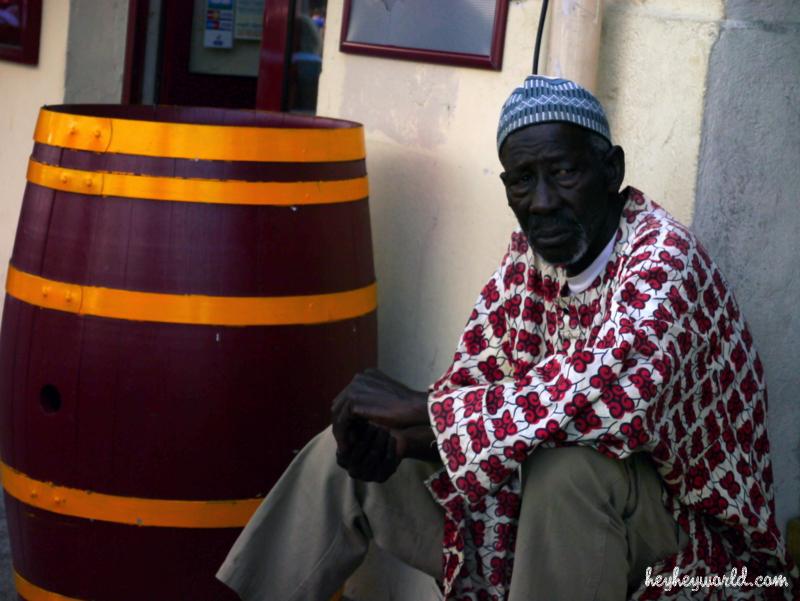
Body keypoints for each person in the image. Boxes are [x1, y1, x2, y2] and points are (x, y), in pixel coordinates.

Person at [217, 76, 798, 600]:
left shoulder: (663, 257)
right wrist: (399, 438)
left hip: (703, 558)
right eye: (522, 181)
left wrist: (421, 411)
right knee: (342, 455)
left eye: (563, 173)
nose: (541, 202)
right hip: (534, 519)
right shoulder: (529, 263)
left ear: (613, 170)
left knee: (568, 469)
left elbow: (602, 402)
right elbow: (478, 397)